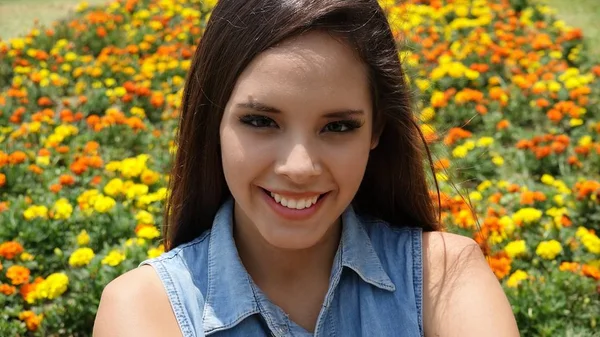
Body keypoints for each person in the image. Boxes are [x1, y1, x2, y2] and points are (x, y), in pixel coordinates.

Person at [93, 0, 520, 336]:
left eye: (337, 126)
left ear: (376, 131)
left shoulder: (442, 277)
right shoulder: (146, 308)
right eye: (260, 121)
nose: (299, 167)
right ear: (214, 122)